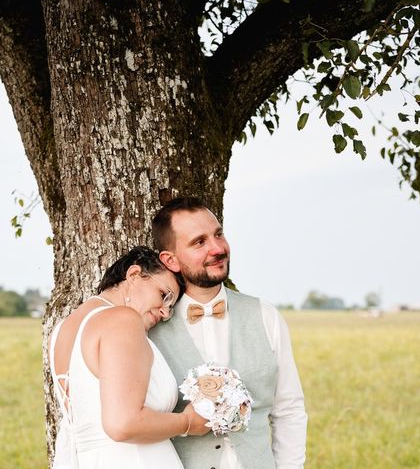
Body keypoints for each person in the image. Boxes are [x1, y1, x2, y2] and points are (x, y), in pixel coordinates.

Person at [149, 197, 308, 469]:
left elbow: (289, 411)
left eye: (218, 234)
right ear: (170, 260)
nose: (217, 248)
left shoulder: (266, 316)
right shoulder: (151, 328)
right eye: (199, 242)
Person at [49, 246, 210, 469]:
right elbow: (123, 423)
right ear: (134, 275)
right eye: (164, 296)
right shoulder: (123, 319)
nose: (164, 313)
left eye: (171, 307)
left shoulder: (62, 330)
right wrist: (189, 422)